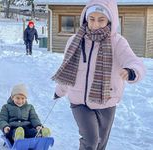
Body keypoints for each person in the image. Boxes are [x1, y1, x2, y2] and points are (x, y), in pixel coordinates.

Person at [52, 0, 146, 150]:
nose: (95, 24)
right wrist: (60, 91)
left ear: (110, 20)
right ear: (85, 18)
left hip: (106, 100)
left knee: (101, 144)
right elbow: (68, 70)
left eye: (101, 20)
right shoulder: (75, 41)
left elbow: (134, 62)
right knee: (91, 141)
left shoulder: (117, 42)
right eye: (92, 19)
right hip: (79, 101)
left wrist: (131, 71)